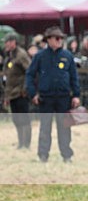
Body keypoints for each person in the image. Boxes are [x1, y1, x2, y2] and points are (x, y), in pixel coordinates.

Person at [25, 26, 80, 163]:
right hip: (45, 98)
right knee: (45, 128)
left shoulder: (67, 56)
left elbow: (74, 77)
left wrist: (76, 95)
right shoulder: (39, 56)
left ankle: (66, 155)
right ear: (48, 39)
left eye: (61, 38)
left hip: (63, 98)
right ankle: (43, 155)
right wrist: (33, 94)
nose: (60, 40)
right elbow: (29, 75)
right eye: (57, 38)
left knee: (65, 128)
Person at [2, 33, 32, 149]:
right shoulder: (10, 55)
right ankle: (21, 142)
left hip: (20, 92)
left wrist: (25, 89)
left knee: (24, 119)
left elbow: (29, 72)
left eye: (7, 42)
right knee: (16, 119)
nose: (6, 44)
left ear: (14, 42)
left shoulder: (21, 55)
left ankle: (26, 144)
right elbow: (8, 76)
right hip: (12, 93)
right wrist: (7, 96)